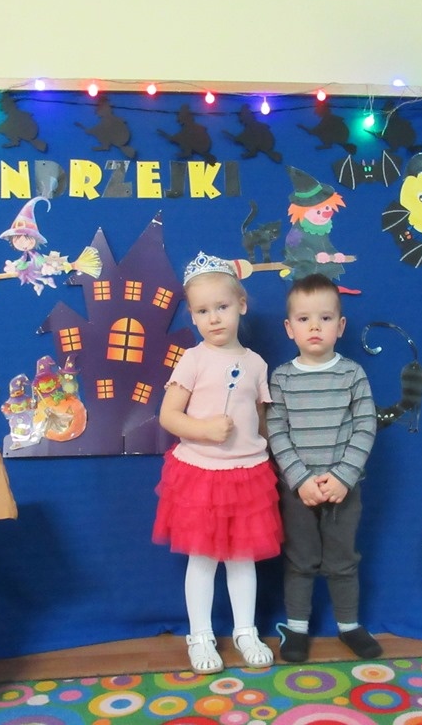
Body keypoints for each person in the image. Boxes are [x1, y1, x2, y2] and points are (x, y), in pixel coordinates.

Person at [152, 252, 283, 675]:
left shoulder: (256, 363)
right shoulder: (192, 359)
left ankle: (246, 631)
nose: (213, 319)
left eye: (222, 307)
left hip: (247, 475)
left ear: (241, 305)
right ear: (192, 316)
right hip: (201, 475)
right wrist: (204, 429)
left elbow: (261, 419)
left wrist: (269, 454)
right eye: (202, 311)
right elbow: (168, 416)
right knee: (203, 559)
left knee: (243, 559)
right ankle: (201, 634)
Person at [266, 273, 381, 663]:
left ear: (340, 326)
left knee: (343, 559)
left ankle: (349, 625)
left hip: (342, 488)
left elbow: (365, 426)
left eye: (325, 318)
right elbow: (276, 431)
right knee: (300, 560)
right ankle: (297, 628)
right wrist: (300, 479)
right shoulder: (281, 378)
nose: (314, 326)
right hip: (298, 490)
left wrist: (344, 477)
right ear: (289, 328)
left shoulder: (352, 374)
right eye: (304, 319)